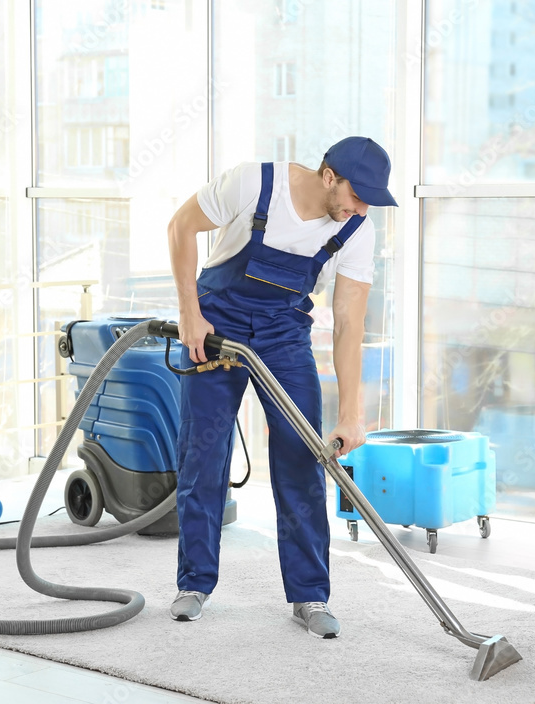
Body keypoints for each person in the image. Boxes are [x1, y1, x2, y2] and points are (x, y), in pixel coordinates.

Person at [165, 136, 398, 638]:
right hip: (216, 323)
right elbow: (181, 226)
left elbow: (348, 323)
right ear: (329, 175)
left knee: (301, 457)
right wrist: (190, 313)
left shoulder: (357, 227)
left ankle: (310, 595)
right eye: (358, 196)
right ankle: (194, 584)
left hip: (283, 334)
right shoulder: (254, 182)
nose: (362, 209)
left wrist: (353, 412)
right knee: (203, 454)